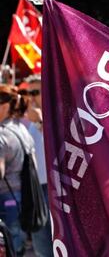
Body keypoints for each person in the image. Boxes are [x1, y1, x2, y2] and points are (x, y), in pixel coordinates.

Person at [0, 85, 32, 255]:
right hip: (21, 196)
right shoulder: (21, 128)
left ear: (4, 105)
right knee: (16, 242)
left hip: (6, 198)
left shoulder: (2, 134)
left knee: (8, 245)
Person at [23, 75, 53, 257]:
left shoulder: (55, 114)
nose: (31, 97)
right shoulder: (28, 120)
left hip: (55, 188)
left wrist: (41, 122)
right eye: (28, 93)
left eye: (35, 92)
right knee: (41, 246)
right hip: (36, 189)